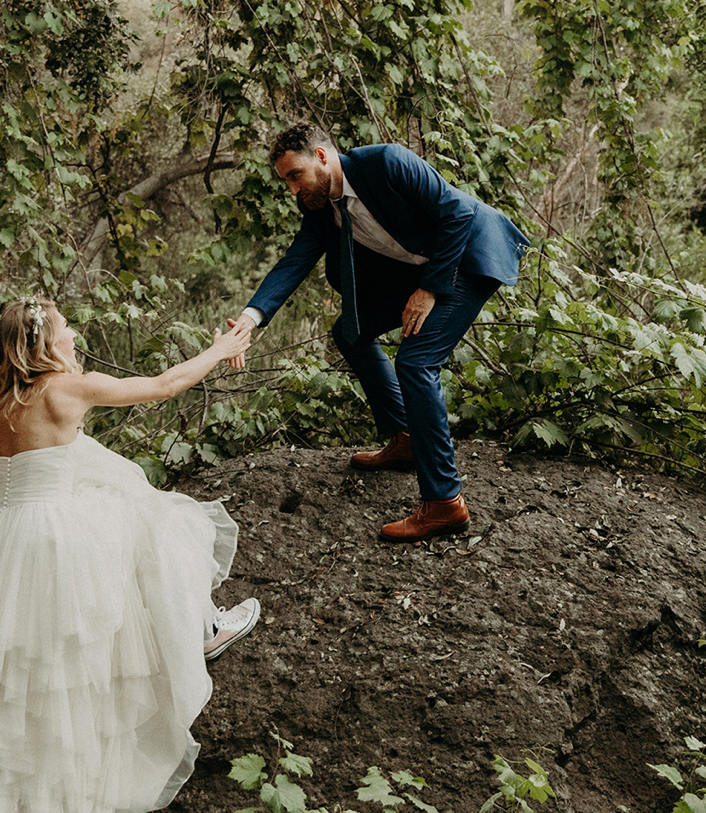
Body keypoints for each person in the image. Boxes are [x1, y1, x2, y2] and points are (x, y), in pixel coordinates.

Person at [0, 296, 260, 813]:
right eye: (67, 328)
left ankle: (14, 797)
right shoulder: (66, 388)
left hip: (5, 543)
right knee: (156, 515)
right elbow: (165, 385)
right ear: (46, 343)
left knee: (20, 673)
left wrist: (35, 474)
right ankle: (203, 626)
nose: (74, 335)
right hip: (57, 539)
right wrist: (219, 350)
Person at [226, 124, 529, 543]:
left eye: (294, 175)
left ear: (321, 155)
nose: (293, 189)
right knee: (350, 333)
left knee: (417, 361)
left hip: (468, 255)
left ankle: (444, 502)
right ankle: (405, 436)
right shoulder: (317, 205)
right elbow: (296, 259)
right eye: (286, 181)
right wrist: (252, 317)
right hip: (423, 269)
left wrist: (428, 290)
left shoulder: (385, 162)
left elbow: (458, 213)